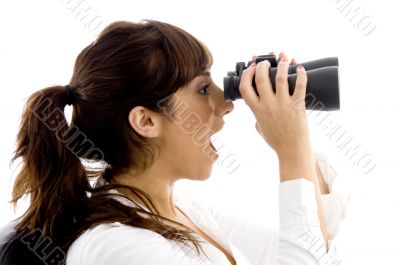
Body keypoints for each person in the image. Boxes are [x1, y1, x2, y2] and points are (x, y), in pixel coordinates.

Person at [4, 20, 347, 265]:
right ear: (146, 121)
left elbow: (313, 250)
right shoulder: (114, 245)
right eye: (202, 89)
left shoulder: (182, 208)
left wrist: (293, 122)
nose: (227, 105)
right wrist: (292, 149)